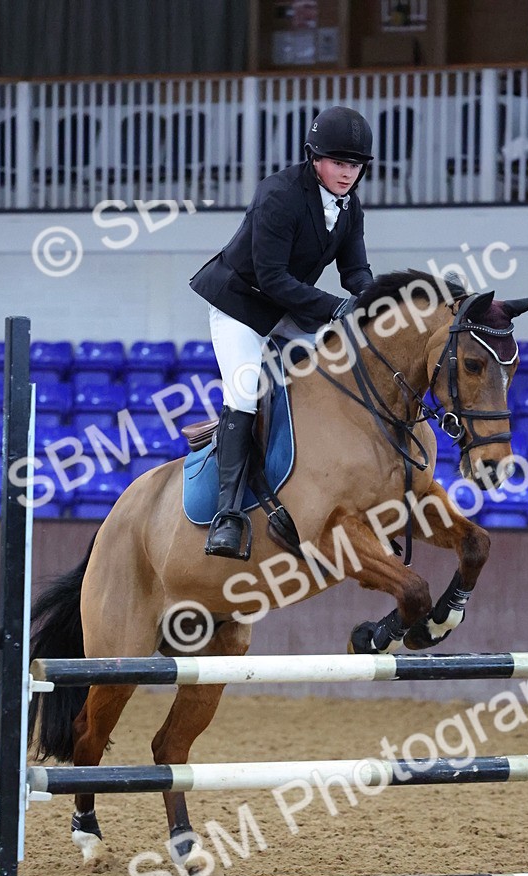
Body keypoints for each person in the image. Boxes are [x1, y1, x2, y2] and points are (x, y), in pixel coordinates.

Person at [189, 105, 375, 558]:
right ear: (314, 158)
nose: (347, 173)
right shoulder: (279, 195)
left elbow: (356, 273)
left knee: (341, 369)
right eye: (338, 162)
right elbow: (271, 278)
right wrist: (337, 309)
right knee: (246, 389)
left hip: (286, 306)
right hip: (240, 302)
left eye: (354, 165)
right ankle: (227, 515)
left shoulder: (349, 208)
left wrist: (382, 301)